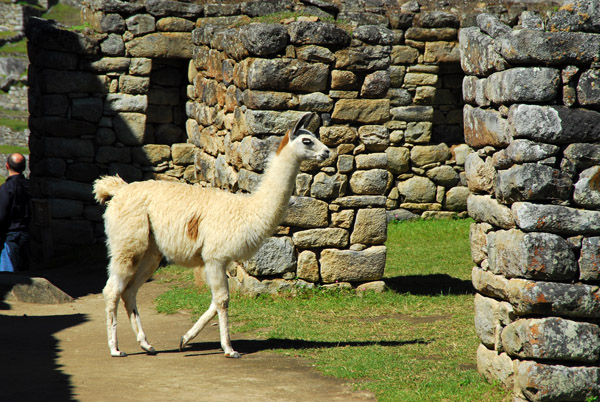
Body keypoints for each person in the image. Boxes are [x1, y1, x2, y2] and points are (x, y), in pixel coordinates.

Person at [0, 153, 31, 272]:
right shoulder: (32, 186)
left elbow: (1, 215)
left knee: (9, 274)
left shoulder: (7, 188)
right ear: (24, 167)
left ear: (7, 166)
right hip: (29, 235)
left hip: (11, 236)